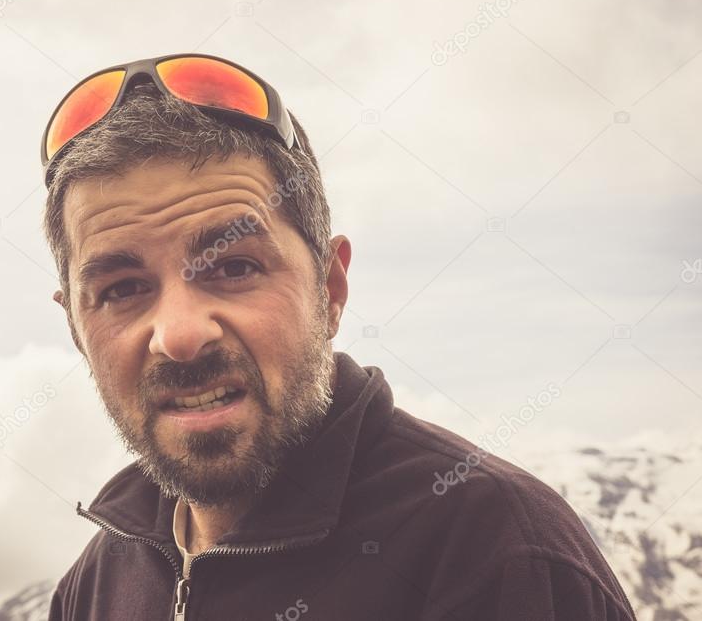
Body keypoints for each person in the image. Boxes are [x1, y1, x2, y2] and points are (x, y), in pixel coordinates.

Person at [39, 53, 637, 620]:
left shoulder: (500, 555)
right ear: (76, 327)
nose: (180, 335)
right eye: (121, 290)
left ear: (330, 288)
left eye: (235, 267)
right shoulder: (93, 586)